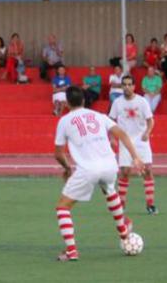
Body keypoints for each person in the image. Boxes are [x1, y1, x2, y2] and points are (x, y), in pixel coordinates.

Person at [54, 86, 144, 261]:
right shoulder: (99, 116)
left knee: (63, 207)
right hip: (110, 166)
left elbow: (58, 153)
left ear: (66, 103)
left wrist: (67, 168)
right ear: (84, 100)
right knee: (110, 191)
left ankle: (72, 251)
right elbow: (122, 134)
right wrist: (136, 157)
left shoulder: (65, 121)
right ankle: (123, 232)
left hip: (88, 169)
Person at [109, 75, 158, 215]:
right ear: (121, 86)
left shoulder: (142, 101)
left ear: (134, 86)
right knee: (125, 172)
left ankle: (150, 204)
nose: (127, 87)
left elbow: (150, 120)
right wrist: (112, 137)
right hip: (125, 141)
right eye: (124, 84)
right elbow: (111, 121)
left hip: (141, 141)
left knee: (147, 170)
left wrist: (148, 132)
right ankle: (121, 205)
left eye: (130, 84)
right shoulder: (117, 103)